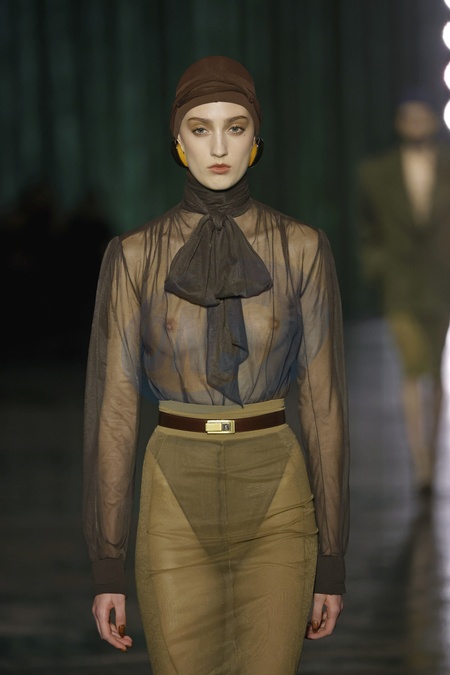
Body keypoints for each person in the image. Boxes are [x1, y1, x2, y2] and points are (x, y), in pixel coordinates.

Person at [83, 55, 350, 674]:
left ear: (257, 138)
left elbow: (323, 405)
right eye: (201, 129)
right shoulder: (133, 256)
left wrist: (333, 558)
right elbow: (115, 409)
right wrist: (106, 562)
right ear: (178, 141)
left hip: (277, 491)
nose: (220, 147)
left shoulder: (303, 248)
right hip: (173, 492)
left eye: (236, 127)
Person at [358, 92, 450, 497]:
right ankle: (421, 461)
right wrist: (378, 266)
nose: (415, 125)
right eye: (408, 118)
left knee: (435, 373)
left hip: (442, 282)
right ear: (398, 123)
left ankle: (432, 451)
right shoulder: (375, 173)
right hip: (400, 283)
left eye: (421, 118)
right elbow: (367, 227)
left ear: (432, 121)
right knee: (413, 368)